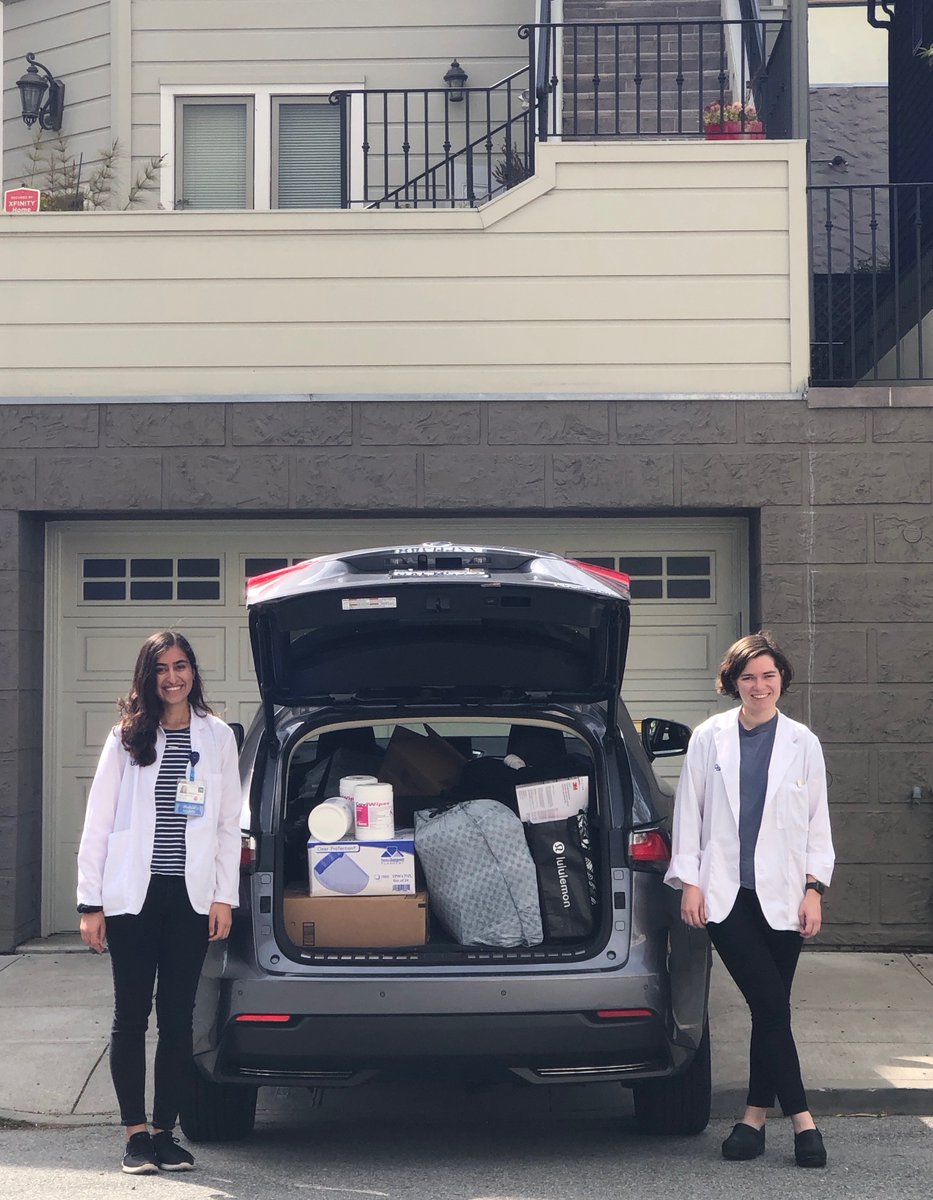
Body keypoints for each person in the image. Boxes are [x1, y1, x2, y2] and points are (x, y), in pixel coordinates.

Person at [664, 632, 834, 1168]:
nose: (759, 686)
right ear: (732, 682)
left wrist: (814, 888)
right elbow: (688, 811)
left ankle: (753, 1118)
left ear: (781, 678)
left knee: (771, 1008)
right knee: (768, 1002)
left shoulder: (803, 742)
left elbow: (817, 822)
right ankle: (804, 1121)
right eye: (748, 677)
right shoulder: (709, 738)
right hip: (726, 893)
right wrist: (690, 881)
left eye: (768, 675)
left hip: (785, 893)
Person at [77, 631, 242, 1175]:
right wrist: (89, 904)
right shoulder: (126, 736)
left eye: (182, 666)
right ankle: (134, 1133)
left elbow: (225, 826)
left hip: (191, 898)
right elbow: (98, 823)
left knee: (177, 1019)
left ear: (193, 671)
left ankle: (165, 1130)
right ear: (147, 677)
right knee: (131, 1017)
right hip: (133, 897)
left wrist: (224, 897)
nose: (173, 677)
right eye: (162, 669)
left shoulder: (217, 737)